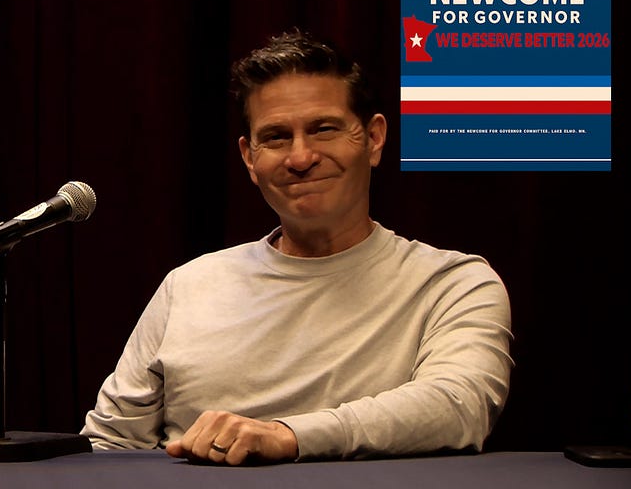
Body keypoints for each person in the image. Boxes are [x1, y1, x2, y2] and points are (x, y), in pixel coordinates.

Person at [81, 29, 513, 465]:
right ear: (250, 158)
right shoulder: (189, 285)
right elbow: (110, 445)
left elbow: (460, 406)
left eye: (324, 129)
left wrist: (286, 436)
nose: (301, 158)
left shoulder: (451, 285)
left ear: (374, 138)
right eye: (276, 137)